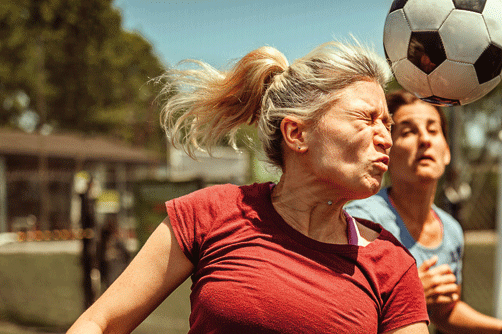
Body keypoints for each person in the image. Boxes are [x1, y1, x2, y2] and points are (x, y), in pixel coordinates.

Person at [67, 41, 429, 334]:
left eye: (387, 123)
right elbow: (101, 323)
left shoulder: (392, 267)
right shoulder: (210, 213)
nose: (386, 138)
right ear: (297, 133)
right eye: (367, 119)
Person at [346, 91, 502, 334]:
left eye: (433, 130)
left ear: (446, 151)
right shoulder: (360, 220)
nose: (424, 139)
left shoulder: (451, 231)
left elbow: (445, 312)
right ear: (387, 153)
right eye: (408, 131)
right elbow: (344, 314)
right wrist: (409, 295)